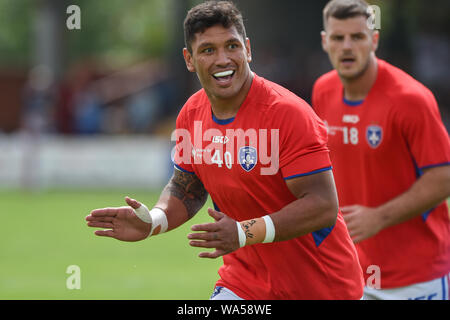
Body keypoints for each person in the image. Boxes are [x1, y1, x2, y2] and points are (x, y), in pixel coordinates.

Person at [86, 0, 364, 300]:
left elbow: (322, 205)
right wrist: (153, 222)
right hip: (244, 284)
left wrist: (245, 232)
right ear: (189, 59)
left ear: (247, 48)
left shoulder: (288, 113)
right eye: (208, 50)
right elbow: (186, 187)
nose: (223, 59)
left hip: (321, 288)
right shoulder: (191, 114)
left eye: (231, 46)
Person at [313, 0, 450, 300]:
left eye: (358, 37)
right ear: (325, 42)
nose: (347, 46)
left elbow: (443, 177)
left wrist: (379, 216)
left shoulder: (410, 99)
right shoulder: (322, 90)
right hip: (354, 272)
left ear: (374, 40)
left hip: (417, 276)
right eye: (338, 38)